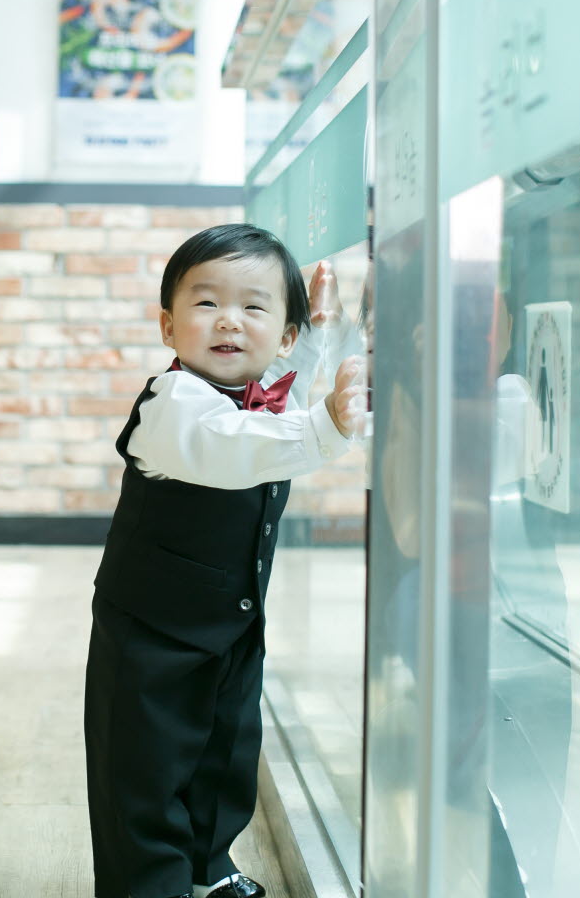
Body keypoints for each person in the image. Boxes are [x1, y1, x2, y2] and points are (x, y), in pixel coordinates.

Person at [84, 223, 368, 898]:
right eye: (206, 302)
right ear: (168, 325)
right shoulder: (174, 404)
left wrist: (323, 329)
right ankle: (149, 886)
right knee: (145, 769)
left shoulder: (265, 390)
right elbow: (235, 445)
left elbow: (290, 386)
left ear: (285, 335)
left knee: (227, 754)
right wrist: (326, 425)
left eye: (254, 307)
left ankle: (208, 868)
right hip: (152, 630)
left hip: (234, 623)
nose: (229, 321)